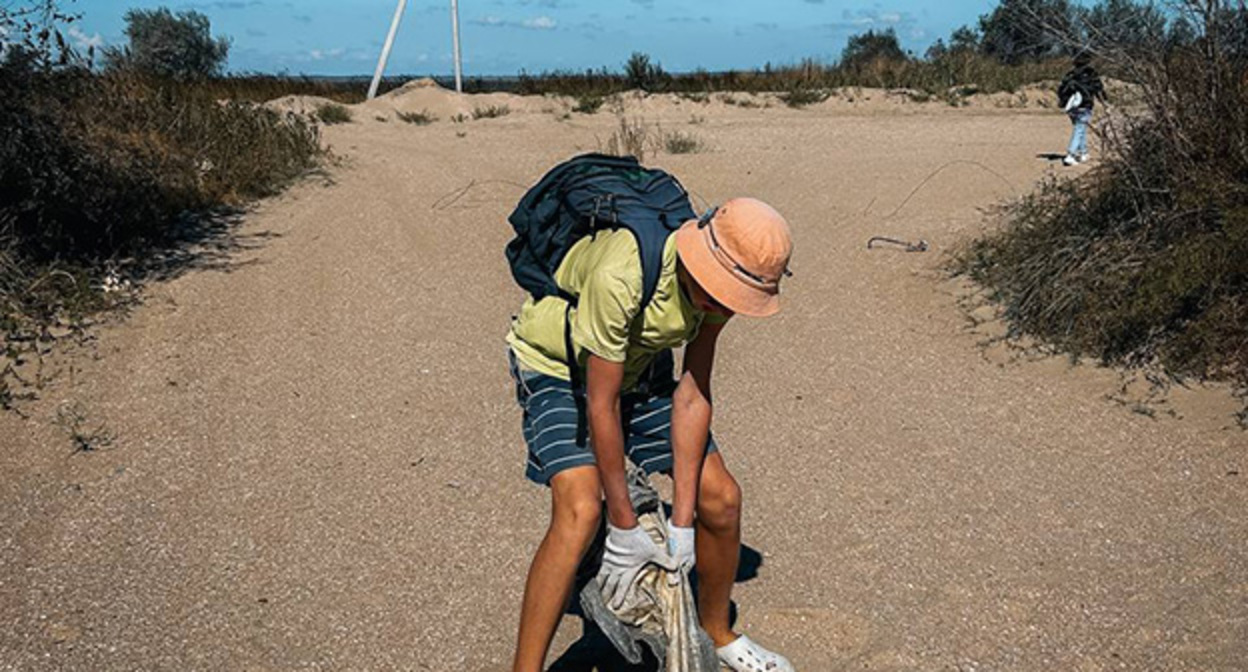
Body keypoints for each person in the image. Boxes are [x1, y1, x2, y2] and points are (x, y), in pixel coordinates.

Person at [506, 197, 797, 672]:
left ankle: (717, 632)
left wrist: (682, 523)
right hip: (560, 368)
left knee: (721, 498)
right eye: (720, 292)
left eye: (734, 297)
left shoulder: (722, 288)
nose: (724, 305)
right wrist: (622, 528)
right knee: (581, 509)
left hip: (639, 369)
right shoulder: (622, 273)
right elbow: (601, 405)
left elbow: (692, 393)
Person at [1059, 51, 1108, 166]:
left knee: (1081, 128)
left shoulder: (1070, 74)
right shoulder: (1091, 74)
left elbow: (1062, 89)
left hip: (1071, 106)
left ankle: (1083, 152)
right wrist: (1104, 103)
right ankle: (1070, 154)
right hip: (1085, 105)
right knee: (1079, 128)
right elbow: (1098, 89)